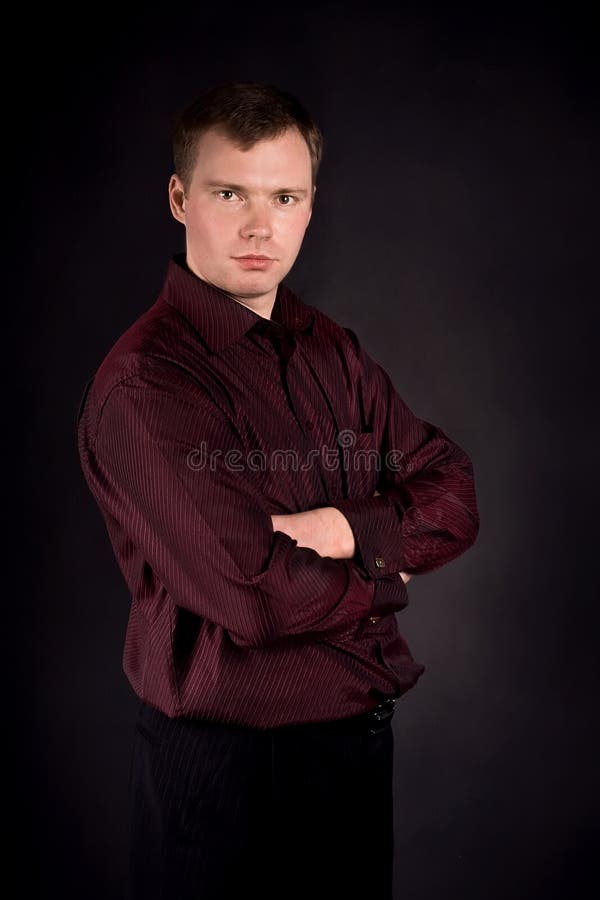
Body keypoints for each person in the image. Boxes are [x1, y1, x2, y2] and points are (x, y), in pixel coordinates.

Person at [76, 80, 479, 900]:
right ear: (181, 197)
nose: (261, 226)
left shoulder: (332, 350)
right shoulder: (145, 386)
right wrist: (384, 577)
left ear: (309, 205)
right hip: (226, 781)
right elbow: (254, 596)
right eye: (231, 193)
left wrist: (338, 527)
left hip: (355, 762)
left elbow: (454, 493)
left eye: (284, 196)